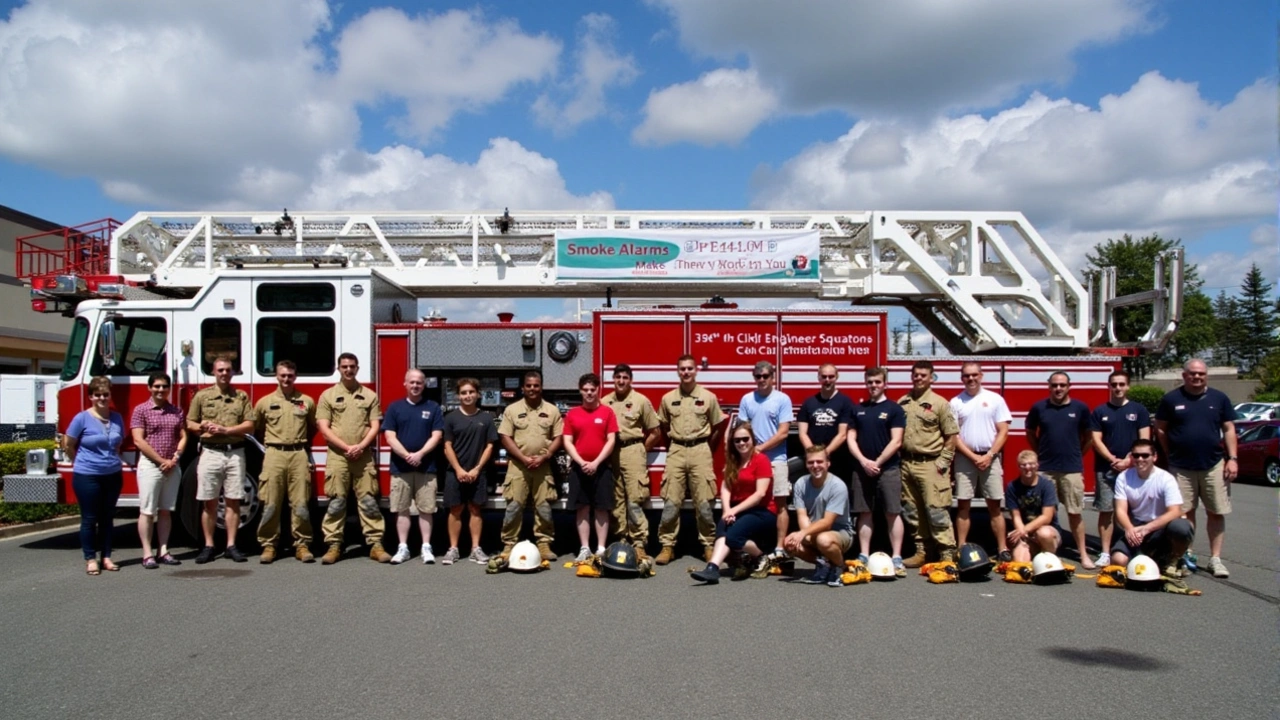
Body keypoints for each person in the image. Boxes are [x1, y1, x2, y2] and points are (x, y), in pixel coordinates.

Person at [1154, 359, 1237, 578]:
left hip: (1213, 465)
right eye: (1192, 373)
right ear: (1184, 375)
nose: (1197, 377)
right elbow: (1160, 429)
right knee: (1183, 513)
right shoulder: (1171, 399)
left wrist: (1233, 458)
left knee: (1216, 512)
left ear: (1206, 375)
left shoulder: (1219, 399)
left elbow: (1228, 429)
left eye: (1201, 374)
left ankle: (1216, 559)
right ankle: (1186, 555)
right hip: (1181, 467)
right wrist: (1168, 452)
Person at [317, 352, 389, 564]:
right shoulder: (327, 396)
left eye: (352, 366)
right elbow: (323, 427)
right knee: (337, 502)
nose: (348, 370)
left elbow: (375, 425)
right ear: (338, 368)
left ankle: (375, 544)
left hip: (363, 457)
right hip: (338, 457)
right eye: (344, 366)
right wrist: (347, 447)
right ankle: (333, 545)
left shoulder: (369, 395)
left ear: (357, 368)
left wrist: (360, 446)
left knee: (369, 501)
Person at [186, 355, 256, 564]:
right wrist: (201, 427)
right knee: (209, 502)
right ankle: (208, 546)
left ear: (232, 372)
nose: (224, 373)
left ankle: (231, 545)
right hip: (210, 452)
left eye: (228, 370)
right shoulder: (202, 396)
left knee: (234, 501)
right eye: (220, 370)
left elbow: (250, 424)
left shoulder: (241, 396)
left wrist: (226, 429)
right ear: (213, 372)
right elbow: (189, 421)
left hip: (235, 452)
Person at [656, 354, 725, 565]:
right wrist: (674, 448)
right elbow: (663, 426)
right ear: (678, 371)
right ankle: (667, 546)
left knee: (704, 502)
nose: (686, 372)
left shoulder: (708, 397)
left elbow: (719, 425)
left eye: (689, 369)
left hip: (700, 450)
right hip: (676, 449)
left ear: (696, 371)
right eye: (682, 369)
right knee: (671, 502)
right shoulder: (668, 399)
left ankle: (708, 545)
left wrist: (705, 447)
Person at [690, 422, 775, 584]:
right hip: (738, 509)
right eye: (737, 440)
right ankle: (712, 569)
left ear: (753, 440)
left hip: (762, 511)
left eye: (745, 439)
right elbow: (726, 488)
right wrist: (727, 510)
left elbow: (760, 494)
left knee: (734, 537)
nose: (742, 443)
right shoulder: (733, 461)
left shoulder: (761, 460)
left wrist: (733, 511)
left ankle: (761, 557)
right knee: (723, 528)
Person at [1025, 372, 1093, 567]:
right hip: (1046, 470)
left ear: (1069, 386)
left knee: (1074, 513)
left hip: (1071, 469)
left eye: (1062, 385)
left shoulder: (1080, 408)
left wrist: (1078, 454)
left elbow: (1088, 436)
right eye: (1054, 385)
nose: (1058, 389)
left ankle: (1083, 554)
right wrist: (1040, 452)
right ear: (1049, 386)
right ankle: (1048, 552)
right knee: (1045, 515)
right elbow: (1030, 432)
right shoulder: (1039, 408)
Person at [253, 360, 316, 564]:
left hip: (298, 453)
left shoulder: (305, 401)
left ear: (295, 377)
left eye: (290, 375)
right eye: (283, 375)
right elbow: (258, 428)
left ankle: (302, 544)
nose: (286, 379)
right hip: (274, 453)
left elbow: (312, 426)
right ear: (276, 377)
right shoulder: (264, 402)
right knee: (271, 502)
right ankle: (269, 545)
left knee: (301, 503)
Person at [897, 360, 958, 567]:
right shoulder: (903, 402)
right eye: (916, 374)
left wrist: (942, 464)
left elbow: (951, 437)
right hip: (907, 464)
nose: (919, 378)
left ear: (931, 377)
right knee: (912, 510)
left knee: (937, 509)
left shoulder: (941, 403)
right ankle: (922, 551)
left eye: (924, 375)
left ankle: (947, 553)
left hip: (931, 464)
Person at [498, 370, 564, 561]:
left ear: (541, 387)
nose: (532, 389)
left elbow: (558, 437)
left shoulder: (552, 410)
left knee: (543, 507)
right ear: (523, 388)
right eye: (529, 386)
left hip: (543, 466)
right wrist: (522, 457)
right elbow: (505, 436)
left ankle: (544, 543)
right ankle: (509, 544)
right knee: (514, 506)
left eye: (536, 385)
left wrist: (547, 456)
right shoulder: (512, 410)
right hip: (518, 466)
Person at [846, 366, 906, 572]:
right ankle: (863, 554)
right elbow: (850, 438)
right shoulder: (857, 409)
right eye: (870, 382)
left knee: (892, 512)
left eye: (877, 382)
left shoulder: (894, 409)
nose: (873, 386)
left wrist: (877, 462)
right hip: (862, 469)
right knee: (864, 512)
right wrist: (864, 461)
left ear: (885, 383)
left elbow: (897, 441)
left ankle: (897, 556)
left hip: (888, 469)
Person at [949, 362, 1012, 560]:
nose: (971, 379)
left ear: (982, 376)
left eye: (975, 375)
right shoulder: (955, 402)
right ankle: (961, 548)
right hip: (965, 459)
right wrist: (974, 457)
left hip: (990, 458)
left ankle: (1002, 549)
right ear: (962, 378)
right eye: (967, 376)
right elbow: (953, 436)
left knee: (995, 506)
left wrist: (989, 455)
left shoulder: (995, 399)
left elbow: (1003, 431)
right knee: (963, 506)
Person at [1089, 370, 1151, 567]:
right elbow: (1095, 439)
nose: (1117, 388)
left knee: (1134, 511)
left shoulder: (1139, 410)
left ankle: (1134, 549)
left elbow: (1145, 440)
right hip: (1105, 469)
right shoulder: (1100, 411)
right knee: (1106, 511)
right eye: (1114, 384)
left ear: (1128, 386)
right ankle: (1105, 552)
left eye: (1121, 384)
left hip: (1134, 470)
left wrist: (1128, 460)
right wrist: (1112, 459)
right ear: (1109, 386)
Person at [383, 369, 445, 565]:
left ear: (424, 384)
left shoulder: (433, 407)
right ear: (405, 384)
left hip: (426, 468)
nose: (416, 386)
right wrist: (407, 455)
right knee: (402, 509)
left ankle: (426, 547)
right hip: (401, 468)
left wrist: (420, 454)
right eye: (412, 382)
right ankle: (403, 547)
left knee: (426, 509)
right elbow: (389, 436)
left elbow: (437, 435)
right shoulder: (395, 408)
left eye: (419, 382)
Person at [65, 376, 124, 575]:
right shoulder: (81, 418)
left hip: (113, 474)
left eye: (105, 394)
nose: (102, 398)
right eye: (97, 394)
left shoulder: (117, 418)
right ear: (90, 396)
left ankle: (106, 557)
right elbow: (68, 444)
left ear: (110, 396)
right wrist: (80, 462)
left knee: (107, 518)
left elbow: (118, 443)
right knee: (90, 519)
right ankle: (90, 558)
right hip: (87, 475)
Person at [737, 360, 794, 559]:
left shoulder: (782, 399)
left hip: (776, 459)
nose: (762, 380)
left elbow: (783, 433)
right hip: (751, 460)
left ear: (773, 377)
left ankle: (779, 548)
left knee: (779, 503)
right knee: (752, 503)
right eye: (758, 376)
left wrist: (759, 448)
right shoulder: (747, 399)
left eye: (765, 376)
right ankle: (754, 547)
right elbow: (742, 429)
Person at [1109, 439, 1195, 570]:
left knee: (1181, 527)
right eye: (1136, 455)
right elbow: (1120, 510)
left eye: (1145, 455)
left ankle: (1174, 559)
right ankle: (1144, 555)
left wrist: (1147, 529)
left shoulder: (1166, 478)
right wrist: (1129, 529)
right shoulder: (1124, 477)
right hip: (1136, 526)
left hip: (1159, 527)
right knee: (1118, 561)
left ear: (1154, 457)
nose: (1140, 459)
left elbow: (1175, 511)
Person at [130, 372, 187, 569]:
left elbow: (183, 435)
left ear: (169, 388)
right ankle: (147, 553)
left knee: (165, 511)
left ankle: (163, 550)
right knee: (147, 511)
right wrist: (161, 460)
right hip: (150, 466)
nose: (161, 390)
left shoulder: (176, 411)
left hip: (172, 467)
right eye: (157, 386)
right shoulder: (141, 410)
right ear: (149, 388)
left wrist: (175, 458)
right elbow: (138, 440)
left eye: (164, 386)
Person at [602, 363, 659, 558]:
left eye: (625, 378)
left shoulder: (641, 400)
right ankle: (620, 539)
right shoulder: (604, 402)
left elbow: (655, 431)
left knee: (635, 498)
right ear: (613, 379)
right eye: (618, 377)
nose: (621, 381)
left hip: (634, 449)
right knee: (616, 499)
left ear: (630, 380)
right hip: (612, 452)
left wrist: (642, 449)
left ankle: (639, 542)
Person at [563, 372, 619, 562]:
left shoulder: (607, 412)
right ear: (580, 391)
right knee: (582, 508)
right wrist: (581, 462)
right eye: (585, 390)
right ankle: (585, 547)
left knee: (602, 508)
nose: (589, 393)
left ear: (598, 390)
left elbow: (611, 440)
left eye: (592, 390)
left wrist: (596, 463)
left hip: (601, 468)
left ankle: (601, 548)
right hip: (579, 469)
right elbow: (567, 441)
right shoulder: (572, 414)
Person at [441, 377, 497, 565]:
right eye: (464, 393)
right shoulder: (450, 418)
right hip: (454, 473)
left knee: (475, 509)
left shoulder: (486, 418)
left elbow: (490, 446)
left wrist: (476, 469)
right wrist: (458, 469)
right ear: (458, 396)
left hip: (477, 473)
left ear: (478, 394)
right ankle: (453, 549)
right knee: (455, 510)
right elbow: (447, 446)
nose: (468, 396)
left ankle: (475, 549)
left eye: (471, 392)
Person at [784, 445, 855, 587]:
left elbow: (828, 522)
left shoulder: (837, 486)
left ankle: (839, 567)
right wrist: (805, 536)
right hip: (814, 530)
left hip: (840, 533)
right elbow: (802, 515)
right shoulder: (800, 484)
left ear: (828, 463)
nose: (815, 466)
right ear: (806, 464)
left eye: (819, 462)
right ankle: (823, 564)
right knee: (789, 543)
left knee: (823, 540)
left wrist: (804, 533)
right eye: (811, 462)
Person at [797, 362, 855, 502]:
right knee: (815, 496)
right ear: (818, 378)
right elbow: (802, 433)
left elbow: (842, 434)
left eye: (831, 376)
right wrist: (814, 455)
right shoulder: (809, 403)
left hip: (838, 460)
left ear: (836, 377)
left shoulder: (845, 402)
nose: (827, 380)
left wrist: (824, 454)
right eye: (824, 377)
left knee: (838, 496)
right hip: (815, 462)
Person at [1003, 450, 1063, 561]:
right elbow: (1015, 515)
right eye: (1023, 465)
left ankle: (1049, 560)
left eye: (1031, 464)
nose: (1027, 468)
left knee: (1044, 534)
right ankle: (1033, 552)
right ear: (1018, 467)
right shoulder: (1012, 487)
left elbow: (1047, 517)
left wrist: (1024, 530)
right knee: (1020, 563)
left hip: (1047, 530)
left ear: (1037, 465)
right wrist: (1022, 533)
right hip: (1026, 533)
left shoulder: (1046, 485)